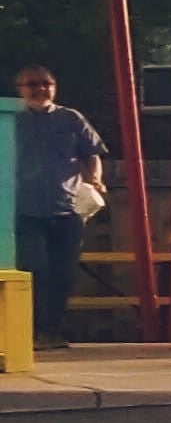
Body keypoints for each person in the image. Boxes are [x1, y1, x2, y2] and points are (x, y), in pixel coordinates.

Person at [12, 64, 106, 350]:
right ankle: (31, 330)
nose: (40, 89)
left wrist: (96, 179)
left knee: (64, 273)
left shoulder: (71, 119)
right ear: (20, 89)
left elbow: (92, 153)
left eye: (46, 83)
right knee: (35, 269)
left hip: (67, 208)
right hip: (25, 209)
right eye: (32, 84)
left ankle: (51, 330)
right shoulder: (12, 120)